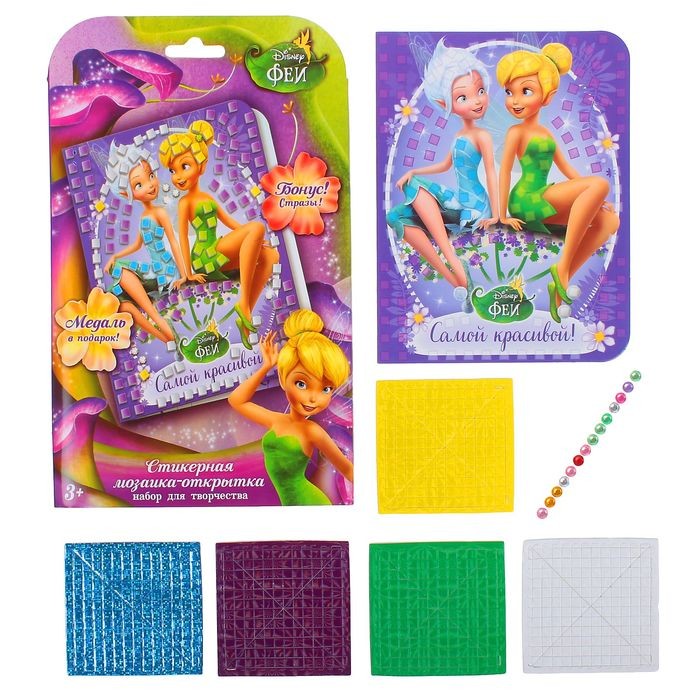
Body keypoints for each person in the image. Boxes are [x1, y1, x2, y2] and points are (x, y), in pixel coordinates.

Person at [496, 43, 619, 321]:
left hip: (544, 197)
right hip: (526, 199)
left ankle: (560, 281)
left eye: (526, 91)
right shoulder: (516, 132)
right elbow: (505, 171)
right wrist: (502, 215)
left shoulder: (546, 134)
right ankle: (562, 267)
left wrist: (598, 201)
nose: (515, 100)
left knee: (609, 221)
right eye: (509, 92)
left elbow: (568, 170)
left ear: (547, 97)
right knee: (599, 184)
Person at [388, 38, 498, 293]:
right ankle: (455, 279)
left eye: (480, 91)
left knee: (415, 187)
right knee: (394, 216)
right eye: (463, 97)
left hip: (475, 207)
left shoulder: (482, 136)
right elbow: (445, 165)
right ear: (443, 103)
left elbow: (491, 173)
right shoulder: (459, 136)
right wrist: (414, 171)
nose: (477, 101)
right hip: (458, 202)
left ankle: (451, 257)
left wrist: (496, 215)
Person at [159, 120, 279, 349]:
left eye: (184, 166)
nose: (178, 176)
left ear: (201, 166)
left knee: (271, 256)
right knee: (256, 227)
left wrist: (255, 241)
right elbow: (182, 237)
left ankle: (245, 312)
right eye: (172, 171)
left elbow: (230, 223)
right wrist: (187, 274)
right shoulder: (185, 203)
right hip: (204, 257)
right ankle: (243, 304)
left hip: (218, 250)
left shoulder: (208, 198)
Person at [228, 309, 353, 506]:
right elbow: (237, 401)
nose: (313, 398)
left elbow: (347, 469)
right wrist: (265, 367)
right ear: (283, 379)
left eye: (326, 389)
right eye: (301, 384)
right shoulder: (276, 420)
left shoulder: (312, 431)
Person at [104, 142, 198, 343]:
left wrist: (184, 275)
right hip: (153, 272)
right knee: (122, 303)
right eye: (139, 185)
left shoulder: (159, 212)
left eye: (151, 176)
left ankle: (157, 318)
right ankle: (166, 338)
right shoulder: (144, 217)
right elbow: (137, 246)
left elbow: (173, 242)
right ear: (126, 193)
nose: (150, 185)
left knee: (120, 270)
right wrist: (115, 256)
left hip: (165, 271)